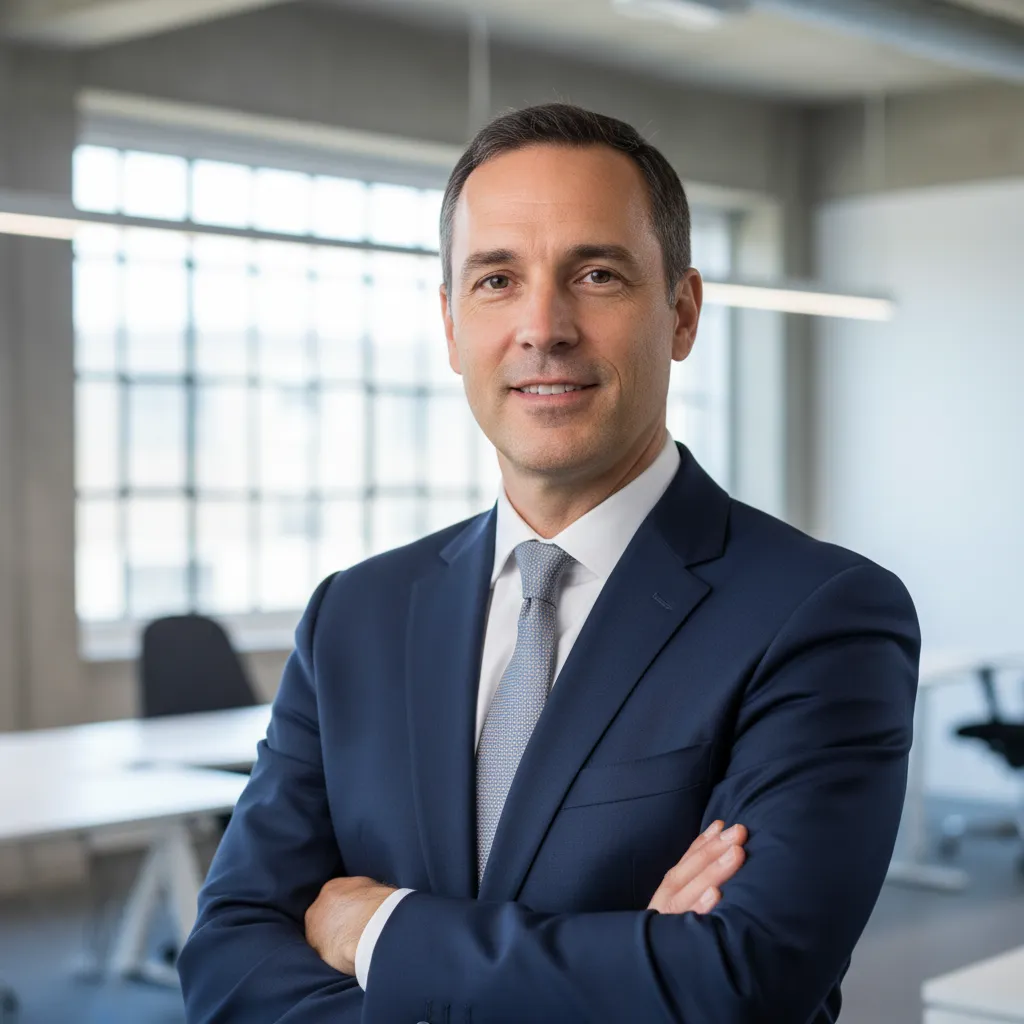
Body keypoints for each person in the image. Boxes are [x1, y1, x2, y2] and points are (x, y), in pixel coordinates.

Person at [178, 103, 919, 1024]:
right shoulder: (356, 615)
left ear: (681, 313)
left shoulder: (818, 614)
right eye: (496, 280)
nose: (543, 327)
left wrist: (379, 931)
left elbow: (735, 984)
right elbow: (228, 958)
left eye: (597, 274)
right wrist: (623, 964)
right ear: (451, 326)